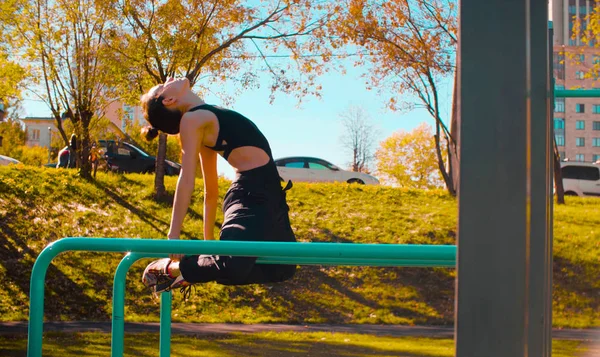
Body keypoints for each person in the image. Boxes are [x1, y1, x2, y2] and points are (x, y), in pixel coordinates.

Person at [139, 77, 296, 298]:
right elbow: (187, 177)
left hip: (272, 196)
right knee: (231, 264)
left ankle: (199, 268)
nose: (169, 80)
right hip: (248, 196)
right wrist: (173, 234)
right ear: (170, 100)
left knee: (284, 267)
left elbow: (211, 192)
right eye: (163, 86)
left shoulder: (206, 115)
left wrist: (208, 244)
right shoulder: (191, 120)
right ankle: (173, 270)